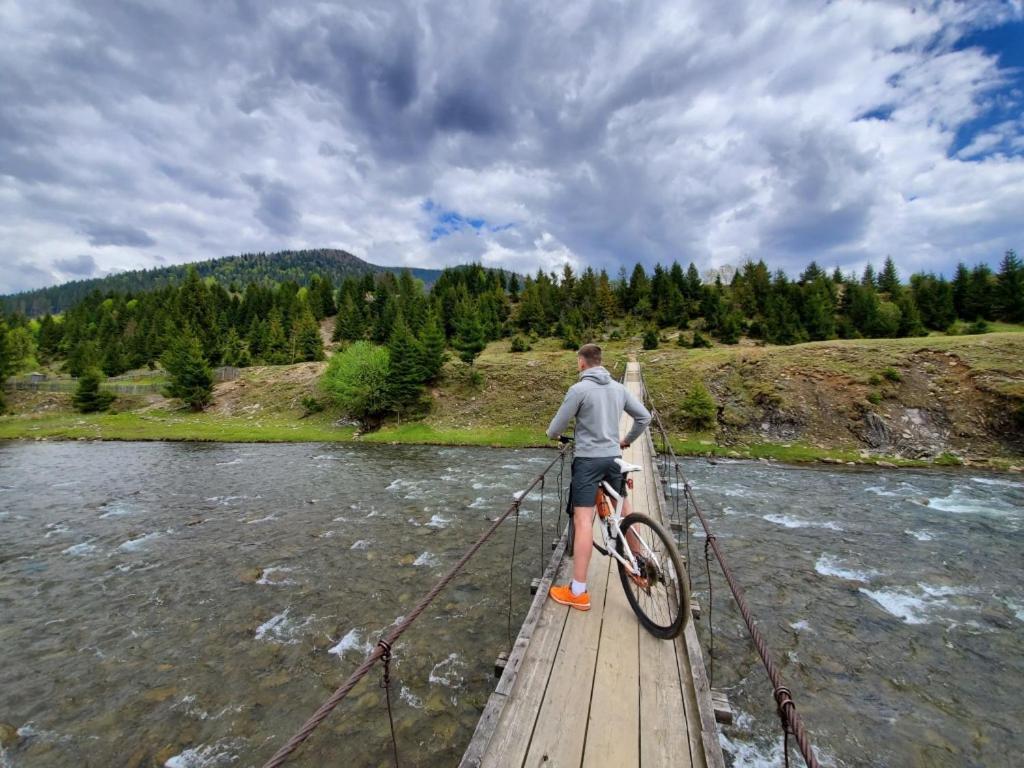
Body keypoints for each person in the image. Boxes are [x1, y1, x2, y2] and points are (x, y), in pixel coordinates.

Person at [545, 344, 651, 610]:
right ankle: (636, 565)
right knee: (624, 510)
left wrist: (557, 436)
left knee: (583, 522)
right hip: (614, 457)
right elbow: (644, 417)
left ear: (582, 362)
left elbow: (554, 429)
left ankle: (578, 591)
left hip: (588, 462)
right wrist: (626, 440)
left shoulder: (578, 390)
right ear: (600, 361)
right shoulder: (618, 388)